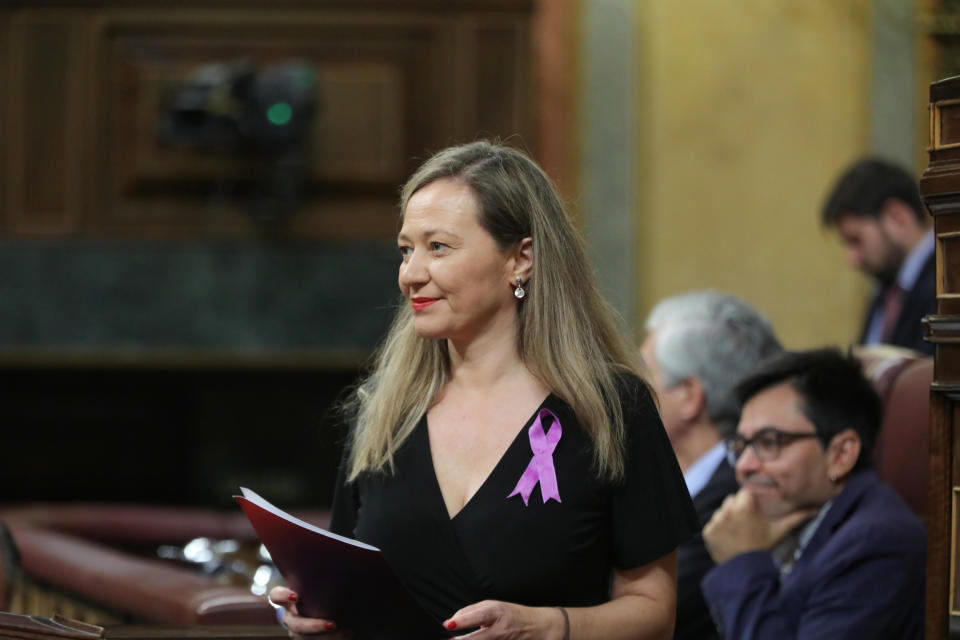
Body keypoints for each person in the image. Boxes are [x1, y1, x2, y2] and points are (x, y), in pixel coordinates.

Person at [271, 140, 699, 639]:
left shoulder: (612, 408)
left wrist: (545, 627)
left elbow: (654, 613)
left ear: (520, 258)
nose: (411, 274)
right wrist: (312, 612)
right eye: (406, 250)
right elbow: (349, 585)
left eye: (439, 247)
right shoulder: (382, 409)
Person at [701, 348, 926, 639]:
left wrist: (741, 561)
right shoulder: (787, 519)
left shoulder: (877, 542)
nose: (744, 466)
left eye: (769, 442)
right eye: (741, 445)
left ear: (841, 454)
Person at [641, 291, 782, 640]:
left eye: (646, 373)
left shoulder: (734, 504)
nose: (632, 387)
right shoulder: (665, 479)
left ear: (689, 396)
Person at [821, 157, 935, 354]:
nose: (852, 259)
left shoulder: (949, 282)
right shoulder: (888, 288)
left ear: (897, 217)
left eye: (856, 240)